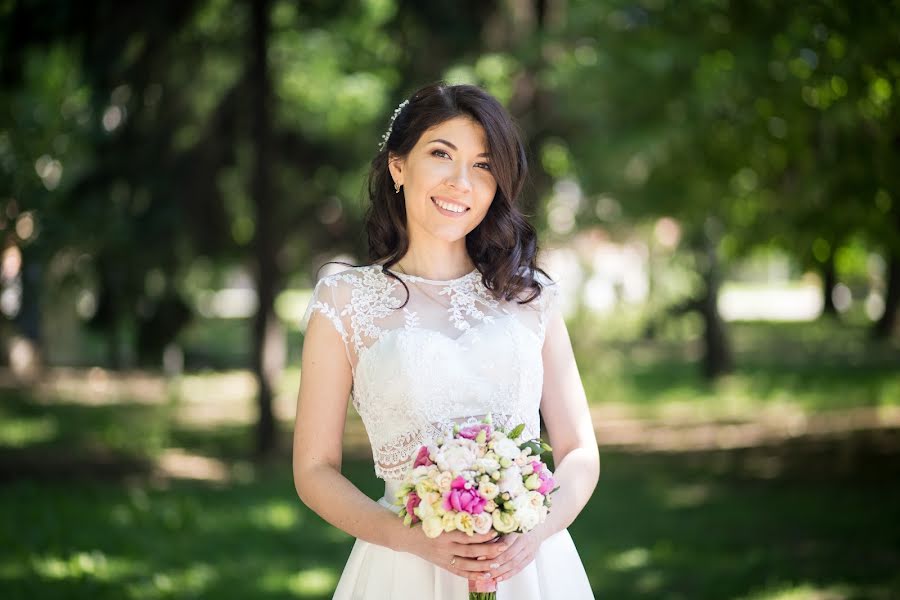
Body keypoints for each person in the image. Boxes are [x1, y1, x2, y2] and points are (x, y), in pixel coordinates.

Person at [293, 82, 599, 599]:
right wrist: (410, 540)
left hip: (531, 569)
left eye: (483, 166)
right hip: (402, 569)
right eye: (441, 154)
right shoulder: (343, 300)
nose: (462, 182)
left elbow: (578, 450)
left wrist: (537, 532)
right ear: (398, 166)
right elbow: (313, 469)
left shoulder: (531, 296)